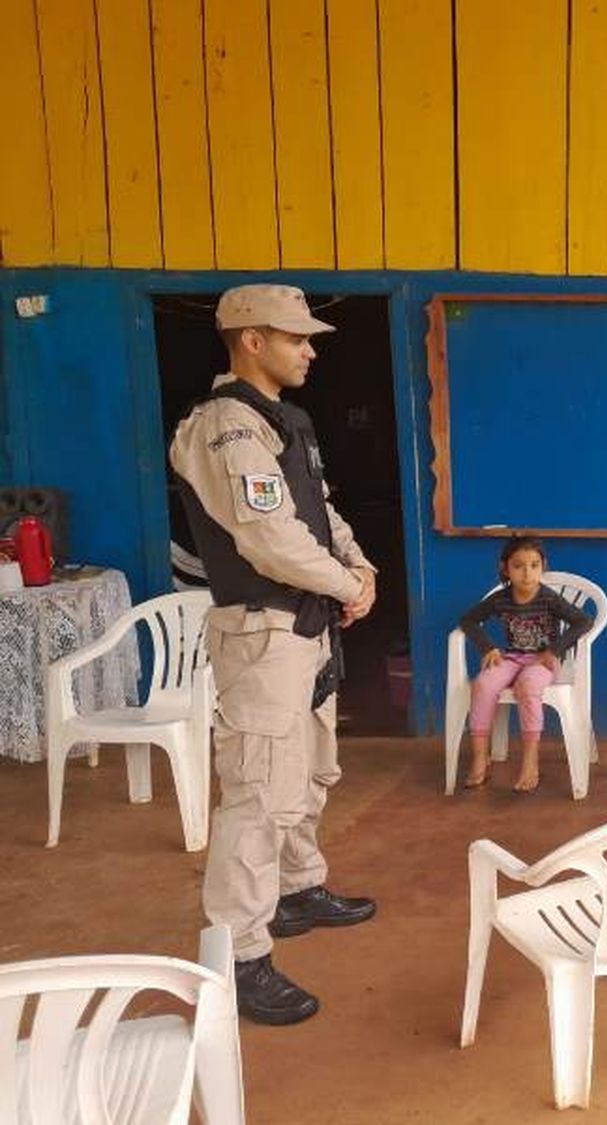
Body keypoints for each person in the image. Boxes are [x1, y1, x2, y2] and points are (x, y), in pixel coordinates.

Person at [170, 284, 378, 1026]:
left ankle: (297, 888)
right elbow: (268, 537)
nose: (311, 350)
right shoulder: (223, 427)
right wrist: (344, 580)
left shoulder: (283, 421)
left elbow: (319, 512)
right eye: (297, 338)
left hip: (305, 623)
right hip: (262, 631)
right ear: (251, 340)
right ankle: (239, 952)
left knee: (311, 766)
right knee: (257, 793)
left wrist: (361, 568)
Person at [458, 537, 593, 792]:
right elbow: (469, 620)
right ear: (505, 569)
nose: (527, 573)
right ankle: (479, 758)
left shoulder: (549, 598)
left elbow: (583, 621)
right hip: (511, 658)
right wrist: (488, 647)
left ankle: (530, 761)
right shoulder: (501, 598)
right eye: (518, 566)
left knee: (528, 687)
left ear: (543, 567)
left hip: (541, 663)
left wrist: (555, 650)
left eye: (534, 565)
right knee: (484, 684)